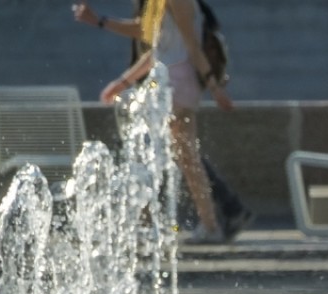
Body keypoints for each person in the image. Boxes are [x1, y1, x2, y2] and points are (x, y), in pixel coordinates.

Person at [73, 0, 253, 242]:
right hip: (172, 81)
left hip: (176, 82)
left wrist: (215, 87)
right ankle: (204, 224)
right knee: (182, 155)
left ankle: (155, 223)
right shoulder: (161, 4)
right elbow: (156, 49)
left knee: (159, 151)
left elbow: (192, 47)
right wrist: (123, 81)